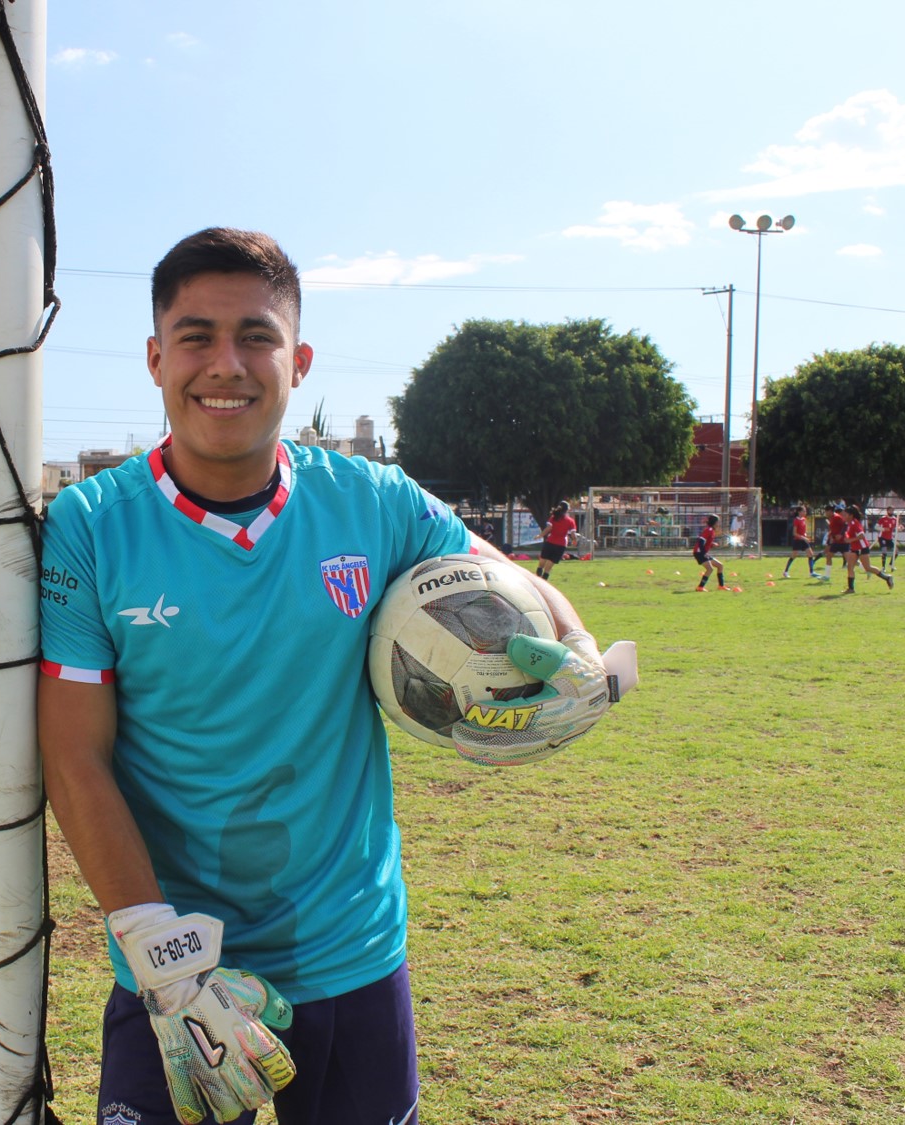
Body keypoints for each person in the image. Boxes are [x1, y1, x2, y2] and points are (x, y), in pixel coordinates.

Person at [38, 228, 623, 1125]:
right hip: (174, 962)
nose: (225, 364)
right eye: (195, 337)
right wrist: (163, 953)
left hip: (347, 950)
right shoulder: (89, 526)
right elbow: (75, 758)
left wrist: (575, 653)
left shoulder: (374, 501)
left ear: (298, 359)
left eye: (256, 336)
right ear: (156, 359)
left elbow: (516, 586)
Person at [842, 504, 894, 592]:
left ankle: (887, 578)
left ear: (851, 515)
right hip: (855, 548)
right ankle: (851, 588)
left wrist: (850, 540)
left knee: (868, 568)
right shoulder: (850, 523)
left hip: (861, 548)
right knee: (850, 566)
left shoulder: (855, 523)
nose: (844, 516)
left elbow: (861, 535)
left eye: (845, 514)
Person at [537, 500, 578, 582]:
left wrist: (540, 535)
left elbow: (548, 528)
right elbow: (573, 534)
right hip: (561, 545)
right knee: (550, 564)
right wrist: (574, 540)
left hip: (550, 542)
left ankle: (538, 572)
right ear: (567, 510)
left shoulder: (553, 518)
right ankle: (544, 580)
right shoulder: (570, 521)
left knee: (542, 561)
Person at [781, 504, 820, 579]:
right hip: (798, 540)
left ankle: (811, 572)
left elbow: (803, 531)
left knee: (810, 554)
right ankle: (785, 571)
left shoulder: (804, 519)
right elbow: (794, 533)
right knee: (794, 555)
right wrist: (803, 537)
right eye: (803, 511)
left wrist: (805, 536)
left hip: (803, 540)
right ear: (799, 512)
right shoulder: (796, 520)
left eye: (805, 511)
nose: (805, 512)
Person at [693, 514, 726, 591]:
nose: (719, 524)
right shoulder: (709, 530)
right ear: (714, 523)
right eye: (718, 522)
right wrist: (704, 553)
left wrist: (712, 544)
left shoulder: (711, 531)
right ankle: (700, 587)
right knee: (710, 569)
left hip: (702, 552)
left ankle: (721, 586)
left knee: (720, 565)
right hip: (699, 553)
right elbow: (701, 542)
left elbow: (705, 541)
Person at [875, 507, 899, 573]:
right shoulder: (883, 518)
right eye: (890, 510)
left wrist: (900, 528)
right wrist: (884, 529)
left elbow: (897, 527)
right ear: (887, 511)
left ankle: (891, 564)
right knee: (884, 552)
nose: (891, 512)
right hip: (882, 537)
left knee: (896, 552)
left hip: (890, 538)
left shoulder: (895, 519)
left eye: (892, 510)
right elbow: (876, 527)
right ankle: (883, 567)